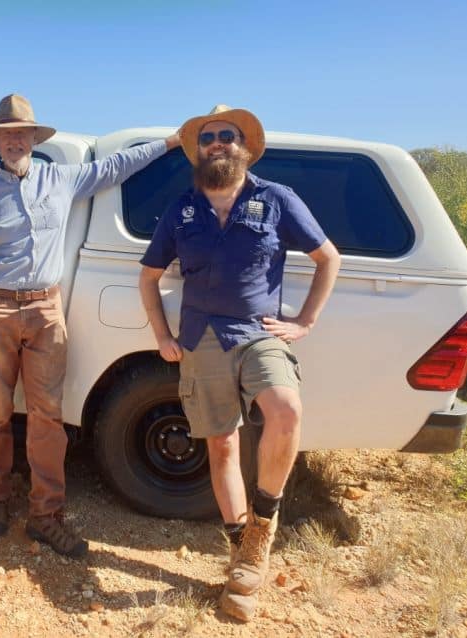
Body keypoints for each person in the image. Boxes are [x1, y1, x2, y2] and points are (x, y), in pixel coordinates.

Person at [0, 94, 179, 558]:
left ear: (34, 138)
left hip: (46, 312)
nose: (13, 140)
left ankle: (45, 516)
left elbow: (115, 167)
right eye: (5, 134)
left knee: (47, 418)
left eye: (20, 133)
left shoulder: (61, 179)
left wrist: (170, 143)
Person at [138, 105, 340, 620]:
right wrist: (162, 334)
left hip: (258, 333)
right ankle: (240, 551)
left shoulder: (277, 200)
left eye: (227, 136)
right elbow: (149, 276)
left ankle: (263, 525)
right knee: (222, 445)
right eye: (208, 138)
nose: (217, 144)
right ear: (199, 149)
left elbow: (328, 258)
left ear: (244, 144)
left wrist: (306, 323)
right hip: (200, 336)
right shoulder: (182, 209)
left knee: (286, 409)